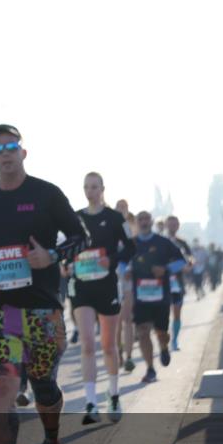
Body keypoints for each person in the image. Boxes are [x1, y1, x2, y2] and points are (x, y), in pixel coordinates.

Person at [0, 124, 88, 444]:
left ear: (23, 152)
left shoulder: (46, 193)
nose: (5, 153)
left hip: (41, 306)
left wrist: (51, 256)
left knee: (42, 385)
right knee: (3, 386)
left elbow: (80, 236)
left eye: (11, 146)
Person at [71, 173, 134, 424]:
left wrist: (113, 260)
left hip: (106, 286)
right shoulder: (76, 218)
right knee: (87, 343)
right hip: (82, 287)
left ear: (103, 189)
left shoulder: (115, 218)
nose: (90, 191)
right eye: (86, 187)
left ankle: (114, 394)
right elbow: (67, 246)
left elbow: (131, 247)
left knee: (108, 345)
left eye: (94, 187)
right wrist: (66, 263)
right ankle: (90, 403)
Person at [130, 211, 187, 383]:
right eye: (140, 219)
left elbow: (182, 261)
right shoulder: (131, 244)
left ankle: (163, 347)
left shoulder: (163, 242)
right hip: (139, 297)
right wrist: (124, 271)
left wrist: (166, 269)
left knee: (161, 331)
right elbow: (121, 262)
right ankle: (150, 369)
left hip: (161, 296)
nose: (144, 222)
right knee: (142, 331)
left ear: (152, 222)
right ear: (137, 223)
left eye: (147, 219)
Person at [164, 216, 193, 351]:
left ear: (178, 225)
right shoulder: (160, 240)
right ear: (166, 225)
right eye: (170, 224)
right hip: (162, 283)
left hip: (178, 283)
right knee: (162, 313)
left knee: (176, 312)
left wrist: (189, 265)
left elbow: (190, 259)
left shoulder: (182, 242)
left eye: (175, 224)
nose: (172, 227)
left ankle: (174, 340)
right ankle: (163, 339)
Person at [114, 199, 137, 372]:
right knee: (116, 321)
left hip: (127, 276)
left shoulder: (131, 227)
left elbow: (135, 250)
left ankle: (129, 356)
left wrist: (129, 267)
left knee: (127, 318)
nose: (122, 210)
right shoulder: (109, 226)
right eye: (119, 207)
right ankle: (119, 352)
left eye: (124, 207)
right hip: (112, 277)